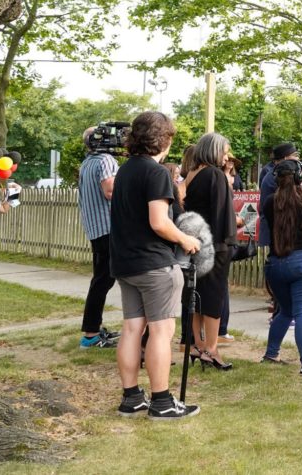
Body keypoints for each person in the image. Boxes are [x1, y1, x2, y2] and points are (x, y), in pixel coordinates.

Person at [110, 111, 201, 420]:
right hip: (153, 264)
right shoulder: (157, 172)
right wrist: (186, 241)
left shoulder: (125, 171)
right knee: (162, 331)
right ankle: (162, 401)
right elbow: (159, 222)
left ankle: (131, 397)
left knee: (133, 328)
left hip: (125, 262)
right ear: (164, 139)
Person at [260, 159, 302, 375]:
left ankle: (271, 353)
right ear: (299, 178)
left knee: (286, 310)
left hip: (275, 264)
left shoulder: (269, 203)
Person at [182, 132, 237, 371]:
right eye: (224, 151)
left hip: (196, 243)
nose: (226, 157)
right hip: (215, 245)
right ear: (214, 150)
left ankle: (197, 345)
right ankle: (212, 350)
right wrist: (228, 243)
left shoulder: (192, 175)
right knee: (214, 298)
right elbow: (221, 213)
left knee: (197, 297)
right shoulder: (215, 174)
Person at [78, 127, 122, 349]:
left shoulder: (88, 162)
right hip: (108, 227)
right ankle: (91, 334)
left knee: (101, 280)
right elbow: (110, 191)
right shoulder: (105, 160)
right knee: (103, 280)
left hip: (96, 228)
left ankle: (92, 329)